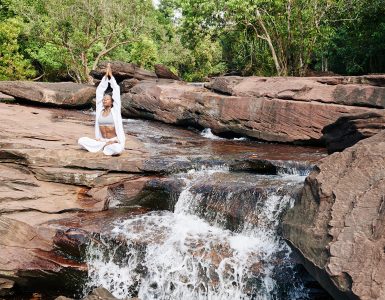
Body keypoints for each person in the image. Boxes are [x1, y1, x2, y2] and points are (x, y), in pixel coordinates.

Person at [78, 63, 125, 155]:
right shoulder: (100, 110)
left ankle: (106, 146)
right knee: (81, 140)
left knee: (118, 149)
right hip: (101, 140)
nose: (104, 101)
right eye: (103, 100)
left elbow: (116, 89)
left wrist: (111, 77)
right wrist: (105, 78)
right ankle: (104, 146)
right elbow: (99, 91)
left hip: (113, 141)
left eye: (107, 99)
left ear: (112, 102)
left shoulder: (115, 111)